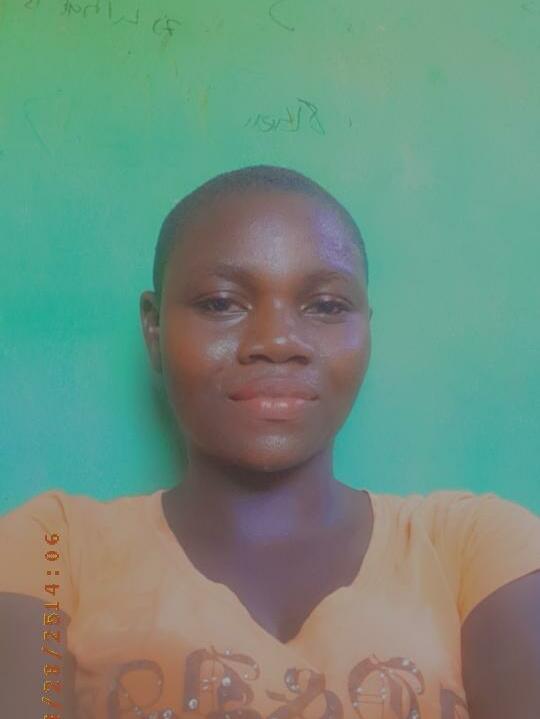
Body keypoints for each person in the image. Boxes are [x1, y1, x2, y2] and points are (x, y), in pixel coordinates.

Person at [1, 165, 540, 719]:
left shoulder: (475, 550)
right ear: (154, 328)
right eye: (221, 303)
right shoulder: (52, 550)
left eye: (326, 306)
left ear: (366, 327)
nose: (278, 341)